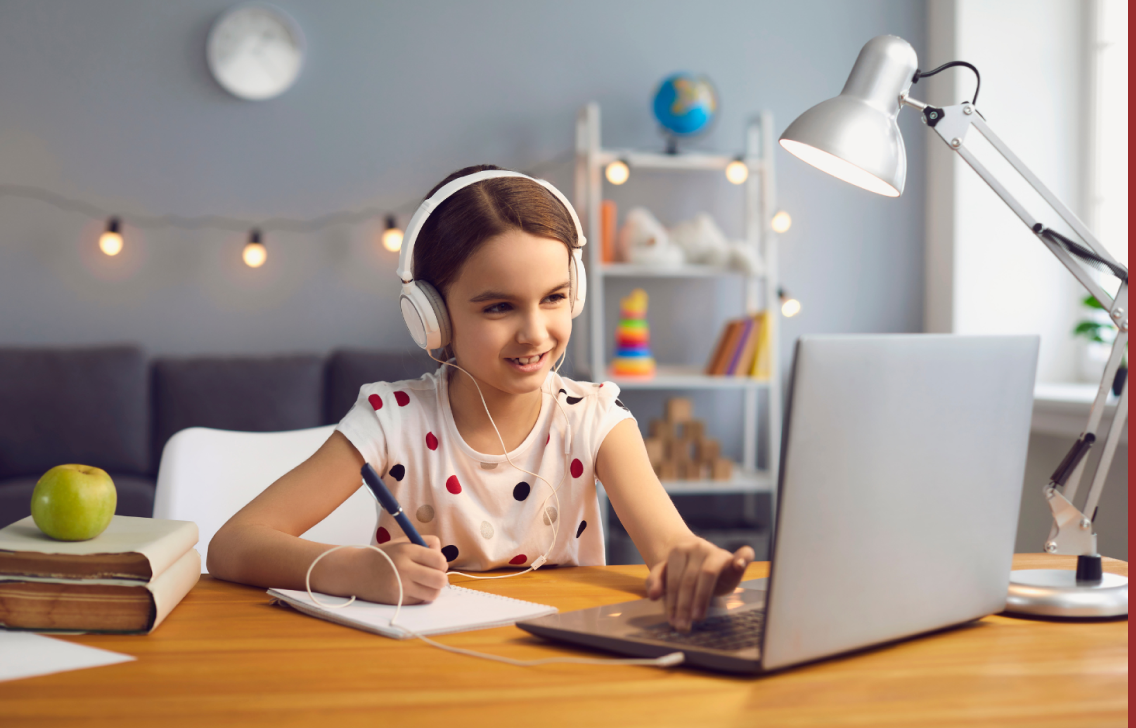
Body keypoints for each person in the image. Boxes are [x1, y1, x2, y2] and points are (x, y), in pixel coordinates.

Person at [208, 164, 754, 633]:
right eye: (498, 308)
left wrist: (695, 564)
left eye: (554, 298)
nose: (535, 332)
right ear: (432, 316)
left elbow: (673, 546)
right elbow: (232, 544)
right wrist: (349, 569)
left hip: (556, 661)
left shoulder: (595, 420)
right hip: (420, 662)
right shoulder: (390, 421)